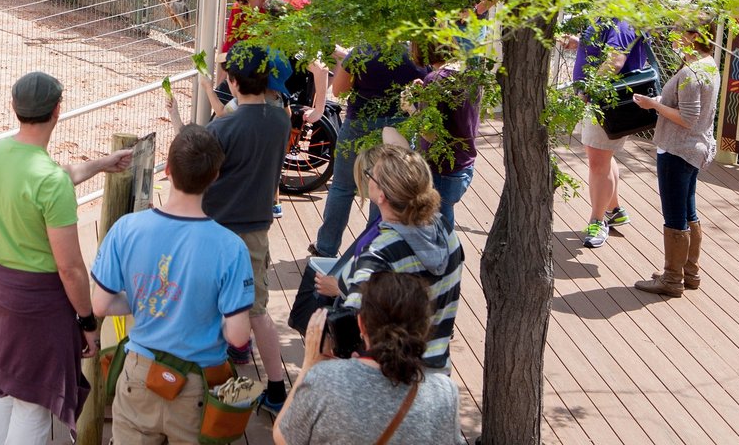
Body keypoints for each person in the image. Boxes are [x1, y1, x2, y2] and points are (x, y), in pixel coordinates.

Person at [0, 72, 133, 445]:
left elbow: (53, 177)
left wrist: (101, 164)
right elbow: (70, 267)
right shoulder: (51, 182)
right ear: (57, 111)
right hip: (41, 305)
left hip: (3, 292)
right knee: (34, 404)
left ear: (16, 108)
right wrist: (87, 322)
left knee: (5, 390)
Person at [91, 126, 255, 444]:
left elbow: (101, 305)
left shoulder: (126, 229)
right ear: (214, 177)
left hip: (138, 376)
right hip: (197, 385)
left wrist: (143, 300)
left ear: (167, 170)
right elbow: (237, 336)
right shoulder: (231, 247)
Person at [202, 45, 294, 417]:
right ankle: (275, 387)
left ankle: (211, 382)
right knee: (257, 309)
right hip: (257, 227)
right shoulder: (280, 120)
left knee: (208, 305)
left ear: (233, 81)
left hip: (216, 228)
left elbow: (202, 173)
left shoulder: (223, 127)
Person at [315, 144, 464, 373]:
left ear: (382, 195)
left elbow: (351, 318)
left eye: (371, 174)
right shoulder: (443, 229)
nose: (369, 177)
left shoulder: (379, 253)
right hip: (437, 370)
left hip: (392, 376)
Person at [273, 273, 464, 445]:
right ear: (423, 330)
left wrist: (309, 365)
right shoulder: (445, 393)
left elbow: (283, 437)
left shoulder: (325, 381)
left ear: (361, 324)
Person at [632, 18, 722, 298]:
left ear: (694, 36)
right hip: (694, 150)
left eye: (678, 31)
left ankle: (672, 279)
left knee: (675, 217)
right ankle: (689, 272)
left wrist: (653, 104)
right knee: (688, 212)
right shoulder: (709, 65)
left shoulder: (691, 72)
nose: (673, 35)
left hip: (677, 150)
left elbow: (687, 118)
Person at [311, 43, 428, 258]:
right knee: (385, 189)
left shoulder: (362, 52)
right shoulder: (415, 54)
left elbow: (338, 90)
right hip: (398, 124)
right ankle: (372, 249)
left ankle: (325, 248)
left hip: (359, 122)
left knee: (342, 187)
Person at [569, 0, 655, 249]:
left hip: (604, 100)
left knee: (597, 162)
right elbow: (604, 48)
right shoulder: (619, 17)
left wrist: (589, 89)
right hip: (603, 100)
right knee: (603, 157)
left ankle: (598, 220)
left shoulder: (622, 19)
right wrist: (579, 43)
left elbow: (615, 61)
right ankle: (615, 210)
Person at [408, 42, 482, 231]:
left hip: (442, 167)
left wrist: (410, 107)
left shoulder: (436, 79)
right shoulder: (470, 73)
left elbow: (430, 133)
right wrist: (424, 93)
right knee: (444, 227)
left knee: (438, 232)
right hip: (464, 162)